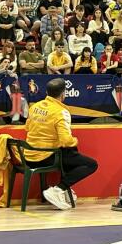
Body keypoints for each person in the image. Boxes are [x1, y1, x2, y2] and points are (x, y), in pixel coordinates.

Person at [25, 78, 99, 211]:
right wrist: (75, 141)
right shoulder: (61, 112)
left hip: (28, 156)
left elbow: (27, 127)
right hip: (46, 158)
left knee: (71, 155)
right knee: (90, 164)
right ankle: (59, 189)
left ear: (47, 92)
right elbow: (66, 141)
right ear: (63, 94)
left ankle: (65, 190)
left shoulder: (34, 106)